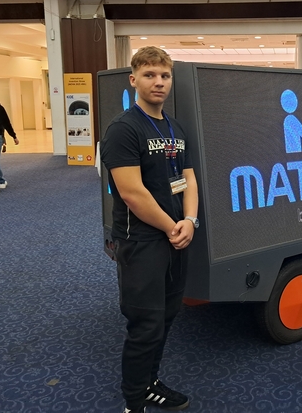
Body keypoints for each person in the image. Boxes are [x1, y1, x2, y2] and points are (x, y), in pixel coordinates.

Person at [101, 46, 198, 413]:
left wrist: (190, 221)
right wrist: (173, 226)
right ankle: (134, 401)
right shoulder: (124, 129)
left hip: (176, 238)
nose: (159, 82)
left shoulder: (175, 128)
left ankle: (150, 383)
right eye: (150, 75)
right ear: (134, 80)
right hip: (141, 242)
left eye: (165, 76)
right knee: (145, 325)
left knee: (167, 317)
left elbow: (188, 178)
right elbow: (132, 193)